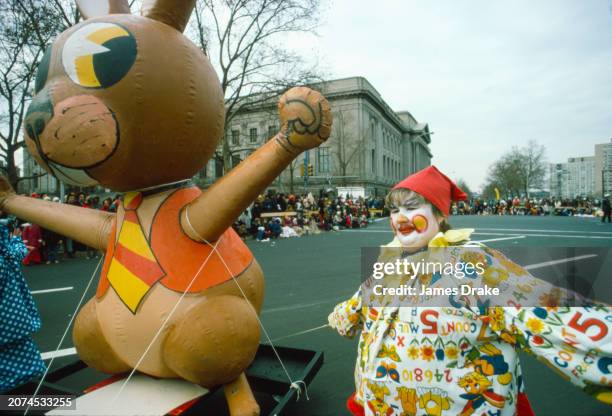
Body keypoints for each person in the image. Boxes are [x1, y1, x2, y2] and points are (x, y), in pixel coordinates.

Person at [329, 166, 611, 416]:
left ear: (439, 215)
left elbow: (548, 312)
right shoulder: (389, 264)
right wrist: (341, 316)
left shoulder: (472, 263)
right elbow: (357, 307)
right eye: (394, 210)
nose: (400, 217)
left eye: (412, 207)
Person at [0, 215, 46, 392]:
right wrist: (15, 237)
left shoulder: (6, 254)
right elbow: (18, 252)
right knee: (27, 376)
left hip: (10, 326)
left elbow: (17, 252)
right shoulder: (6, 256)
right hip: (11, 325)